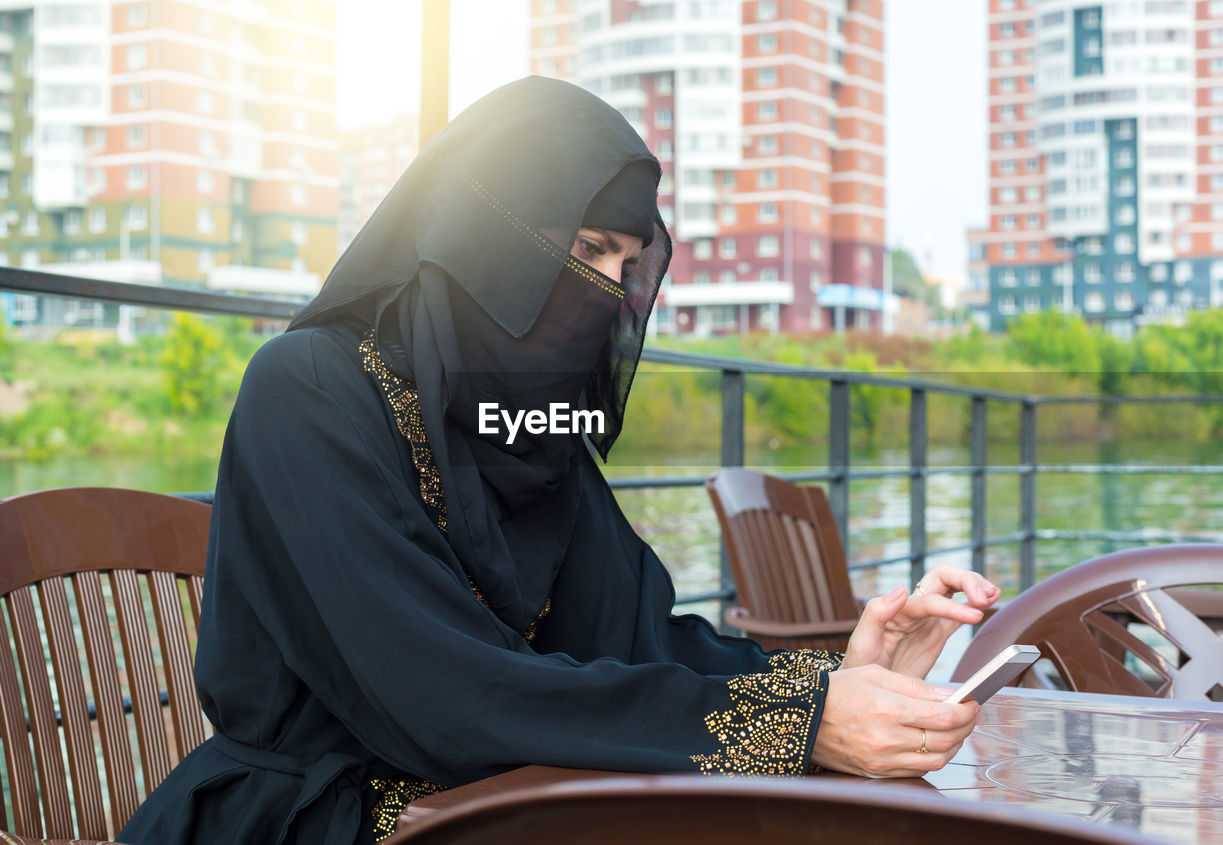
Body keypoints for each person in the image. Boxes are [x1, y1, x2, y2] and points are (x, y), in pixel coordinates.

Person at [119, 76, 1000, 845]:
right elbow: (438, 693)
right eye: (583, 252)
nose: (607, 295)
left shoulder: (527, 429)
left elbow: (641, 638)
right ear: (483, 236)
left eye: (623, 264)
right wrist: (802, 723)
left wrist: (842, 675)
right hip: (312, 819)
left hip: (504, 806)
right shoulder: (306, 390)